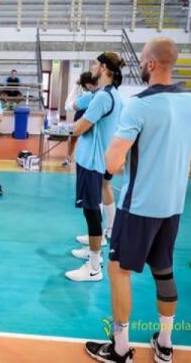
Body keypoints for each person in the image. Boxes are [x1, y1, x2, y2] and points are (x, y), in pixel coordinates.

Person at [85, 38, 191, 363]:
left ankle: (121, 348)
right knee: (164, 271)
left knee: (118, 271)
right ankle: (164, 343)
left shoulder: (139, 105)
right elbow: (188, 149)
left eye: (141, 60)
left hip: (139, 206)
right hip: (173, 205)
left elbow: (112, 162)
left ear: (150, 64)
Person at [65, 52, 124, 282]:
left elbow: (79, 127)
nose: (92, 67)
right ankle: (93, 252)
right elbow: (75, 106)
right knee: (92, 211)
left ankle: (93, 267)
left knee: (91, 213)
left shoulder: (102, 98)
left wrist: (74, 126)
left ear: (104, 68)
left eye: (96, 64)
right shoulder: (108, 94)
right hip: (97, 160)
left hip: (92, 163)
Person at [63, 71, 99, 168]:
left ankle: (76, 159)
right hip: (80, 115)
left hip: (86, 116)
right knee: (73, 138)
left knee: (84, 139)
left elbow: (67, 106)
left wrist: (75, 85)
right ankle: (68, 157)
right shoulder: (95, 94)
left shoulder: (88, 96)